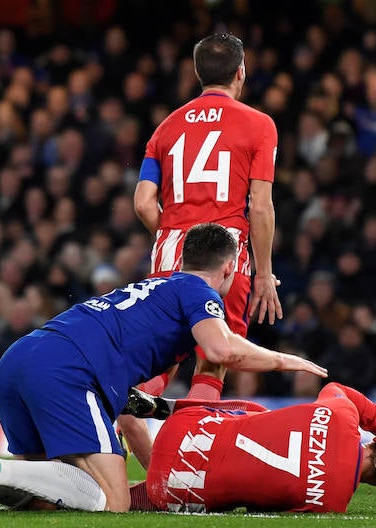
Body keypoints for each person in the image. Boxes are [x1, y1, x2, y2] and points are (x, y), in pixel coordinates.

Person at [0, 223, 327, 513]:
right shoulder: (198, 290)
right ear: (230, 268)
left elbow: (125, 406)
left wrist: (163, 427)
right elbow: (221, 349)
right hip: (66, 371)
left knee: (47, 494)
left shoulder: (154, 288)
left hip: (21, 359)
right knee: (113, 500)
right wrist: (283, 359)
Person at [133, 32, 280, 402]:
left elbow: (143, 203)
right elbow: (260, 206)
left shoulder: (165, 127)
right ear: (240, 72)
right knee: (214, 357)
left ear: (198, 74)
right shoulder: (259, 124)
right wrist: (263, 274)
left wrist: (173, 234)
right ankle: (191, 449)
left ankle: (130, 413)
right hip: (225, 252)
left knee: (162, 356)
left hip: (171, 250)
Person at [126, 382, 376, 513]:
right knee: (239, 485)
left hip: (186, 425)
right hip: (171, 491)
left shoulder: (339, 413)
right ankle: (120, 495)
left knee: (261, 416)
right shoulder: (328, 505)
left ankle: (167, 407)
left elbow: (337, 389)